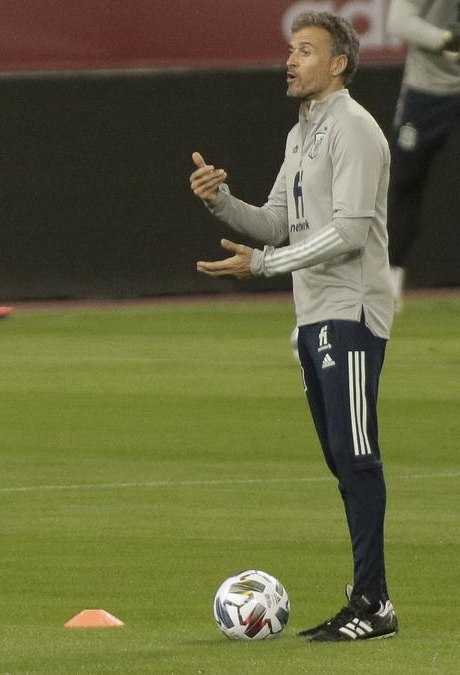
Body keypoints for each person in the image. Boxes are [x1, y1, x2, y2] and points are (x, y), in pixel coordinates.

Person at [188, 12, 398, 642]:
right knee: (342, 459)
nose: (291, 60)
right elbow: (277, 223)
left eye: (306, 51)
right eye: (290, 49)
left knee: (358, 457)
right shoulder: (301, 134)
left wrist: (265, 266)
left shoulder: (355, 130)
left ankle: (374, 604)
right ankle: (368, 599)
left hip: (351, 314)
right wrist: (218, 201)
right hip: (312, 317)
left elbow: (353, 230)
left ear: (339, 64)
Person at [385, 0, 460, 310]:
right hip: (429, 88)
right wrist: (444, 39)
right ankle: (388, 280)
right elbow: (398, 22)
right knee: (406, 179)